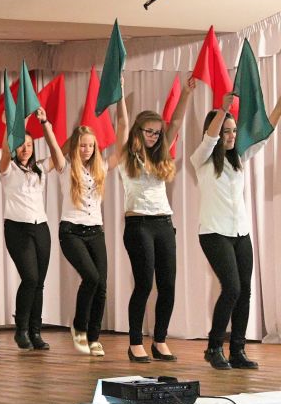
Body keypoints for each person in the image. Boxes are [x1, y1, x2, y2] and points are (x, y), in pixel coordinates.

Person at [191, 91, 281, 370]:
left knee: (245, 291)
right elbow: (210, 138)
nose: (231, 136)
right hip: (214, 233)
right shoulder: (202, 159)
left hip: (240, 233)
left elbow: (263, 135)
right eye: (226, 131)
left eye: (233, 131)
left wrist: (279, 105)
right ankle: (214, 347)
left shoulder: (239, 157)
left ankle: (238, 351)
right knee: (231, 288)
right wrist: (223, 110)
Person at [119, 77, 197, 363]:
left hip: (163, 223)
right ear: (138, 131)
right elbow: (121, 124)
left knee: (168, 285)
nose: (153, 136)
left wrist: (186, 93)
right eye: (149, 131)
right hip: (138, 224)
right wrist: (119, 94)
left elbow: (175, 122)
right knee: (144, 284)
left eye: (156, 133)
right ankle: (135, 343)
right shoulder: (127, 155)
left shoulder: (159, 155)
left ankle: (160, 340)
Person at [54, 99, 126, 357]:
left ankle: (94, 338)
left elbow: (123, 137)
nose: (86, 149)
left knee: (102, 285)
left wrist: (121, 101)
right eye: (82, 145)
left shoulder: (101, 168)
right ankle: (79, 327)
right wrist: (47, 126)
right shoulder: (66, 168)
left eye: (90, 145)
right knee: (92, 277)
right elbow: (54, 149)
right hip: (71, 231)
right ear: (76, 146)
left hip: (95, 230)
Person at [0, 107, 62, 350]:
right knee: (30, 278)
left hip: (40, 228)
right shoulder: (8, 169)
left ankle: (36, 331)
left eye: (29, 145)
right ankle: (21, 329)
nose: (25, 149)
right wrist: (15, 126)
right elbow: (5, 152)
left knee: (39, 282)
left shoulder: (39, 169)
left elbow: (58, 157)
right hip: (17, 229)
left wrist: (45, 124)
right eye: (21, 145)